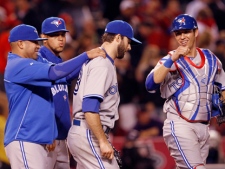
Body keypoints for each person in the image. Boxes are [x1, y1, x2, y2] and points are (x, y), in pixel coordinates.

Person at [4, 24, 105, 169]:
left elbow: (65, 75)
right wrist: (86, 55)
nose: (38, 46)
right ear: (20, 43)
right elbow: (55, 72)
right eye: (34, 42)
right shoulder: (18, 65)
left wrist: (91, 61)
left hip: (35, 139)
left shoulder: (33, 63)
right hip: (24, 138)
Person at [145, 14, 225, 169]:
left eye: (186, 32)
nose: (182, 36)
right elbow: (150, 84)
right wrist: (172, 59)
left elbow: (223, 86)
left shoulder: (211, 58)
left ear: (195, 32)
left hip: (204, 127)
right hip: (180, 125)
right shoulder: (170, 59)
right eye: (178, 33)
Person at [67, 20, 142, 169]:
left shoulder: (99, 61)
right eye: (128, 42)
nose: (129, 47)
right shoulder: (102, 64)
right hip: (88, 132)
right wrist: (102, 141)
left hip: (85, 131)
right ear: (118, 38)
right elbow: (89, 108)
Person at [39, 16, 74, 169]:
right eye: (54, 35)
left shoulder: (60, 61)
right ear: (43, 37)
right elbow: (39, 101)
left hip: (62, 137)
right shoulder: (38, 60)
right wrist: (48, 131)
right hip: (47, 138)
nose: (60, 39)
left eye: (62, 34)